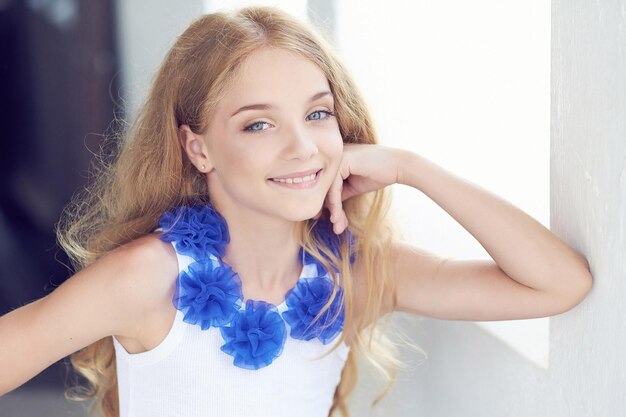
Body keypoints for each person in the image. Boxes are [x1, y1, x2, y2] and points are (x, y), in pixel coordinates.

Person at [0, 5, 593, 417]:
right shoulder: (148, 278)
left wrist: (415, 168)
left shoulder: (354, 277)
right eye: (259, 123)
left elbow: (557, 284)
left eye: (317, 114)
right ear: (197, 146)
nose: (302, 148)